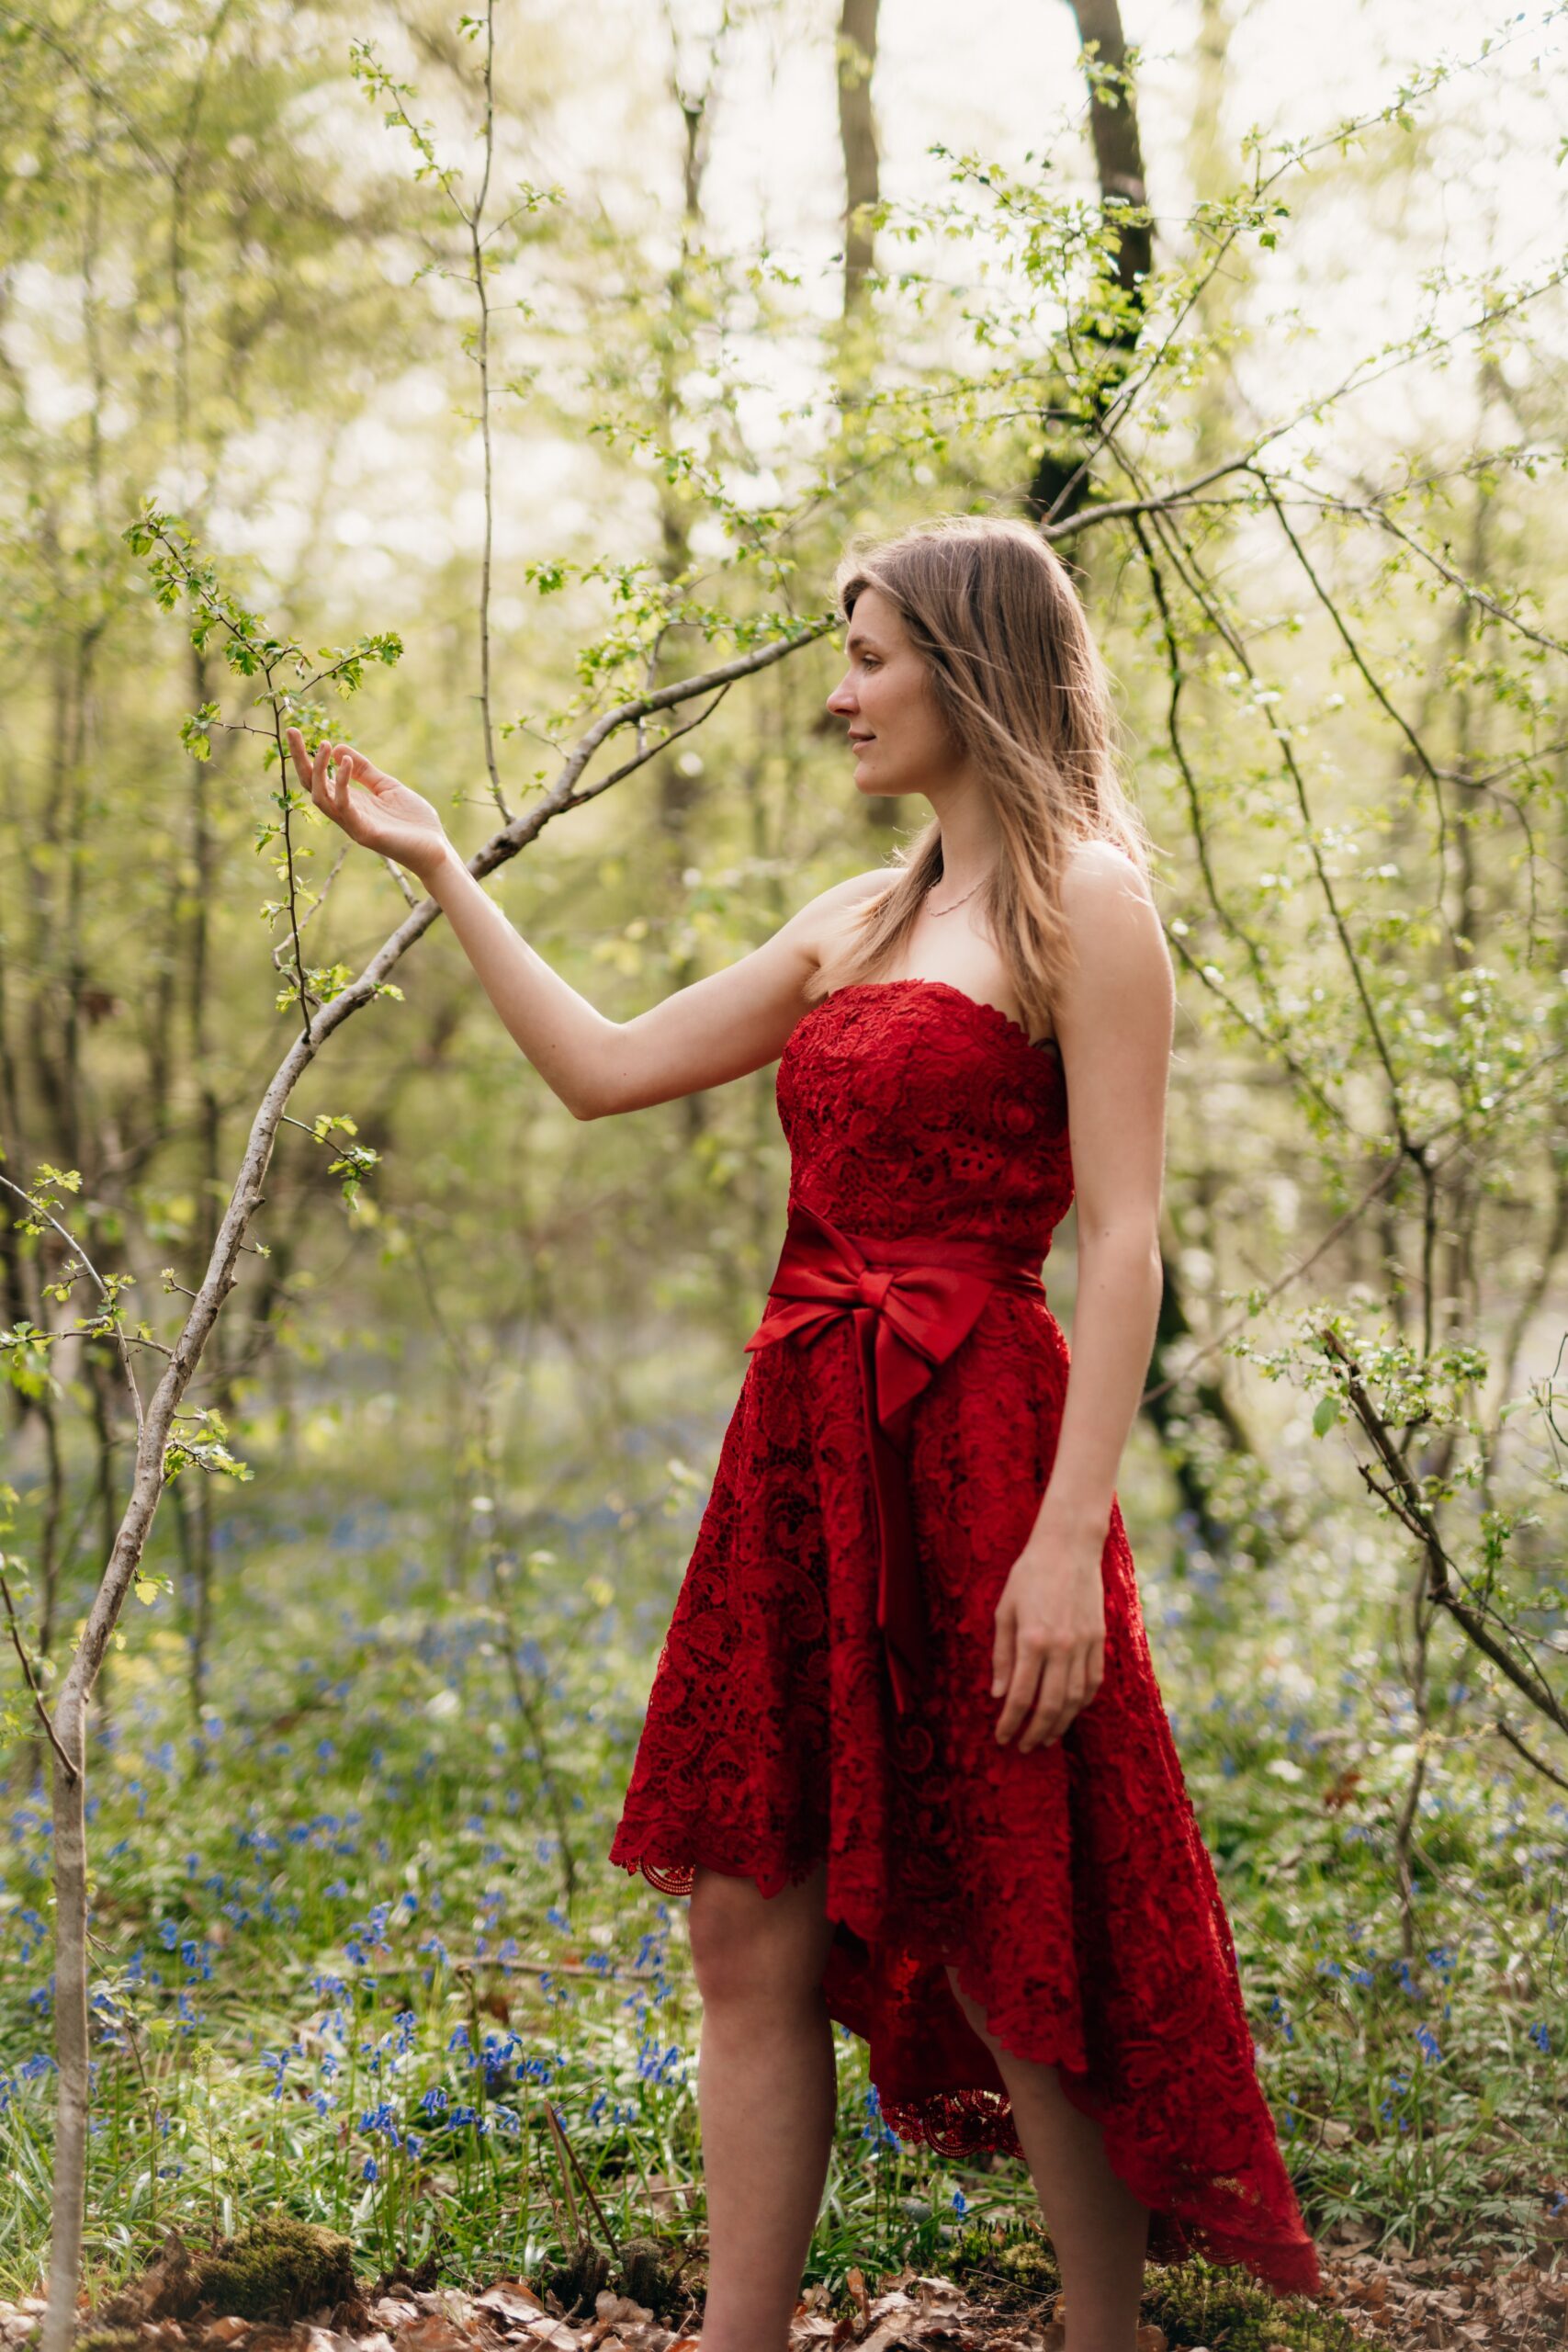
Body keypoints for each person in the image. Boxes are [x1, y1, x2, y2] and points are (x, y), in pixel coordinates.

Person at [286, 513, 1320, 2352]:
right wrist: (443, 864)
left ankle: (1107, 2329)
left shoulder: (1081, 895)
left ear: (970, 663)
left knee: (1011, 1911)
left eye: (865, 657)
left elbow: (1127, 1234)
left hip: (981, 1440)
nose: (836, 696)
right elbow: (599, 1065)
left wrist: (1068, 1532)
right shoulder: (849, 915)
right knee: (739, 1924)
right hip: (803, 1447)